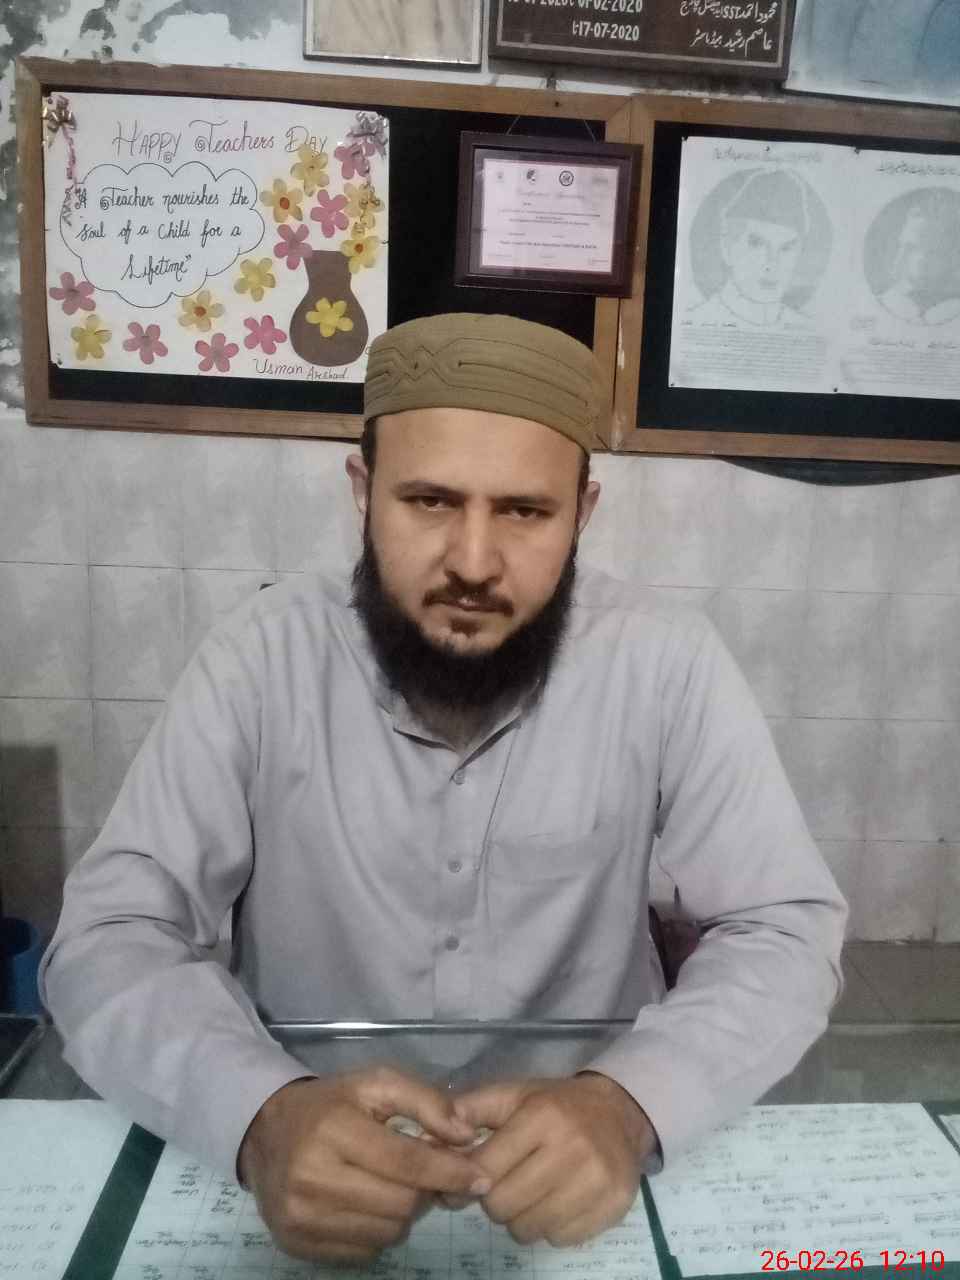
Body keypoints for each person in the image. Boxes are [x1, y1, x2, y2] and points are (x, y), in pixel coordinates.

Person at [41, 312, 846, 1264]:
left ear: (582, 514)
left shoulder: (665, 661)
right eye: (428, 501)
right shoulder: (261, 659)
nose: (472, 562)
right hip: (312, 1177)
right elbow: (110, 936)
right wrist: (258, 1113)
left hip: (584, 1184)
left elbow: (783, 929)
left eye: (525, 512)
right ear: (362, 492)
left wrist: (631, 1104)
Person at [690, 169, 815, 328]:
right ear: (727, 247)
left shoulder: (806, 328)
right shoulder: (698, 321)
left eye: (786, 248)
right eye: (757, 244)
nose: (772, 264)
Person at [876, 191, 960, 327]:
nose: (922, 259)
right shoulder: (886, 302)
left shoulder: (953, 308)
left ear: (950, 256)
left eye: (933, 252)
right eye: (914, 248)